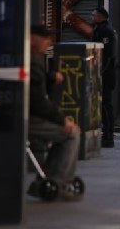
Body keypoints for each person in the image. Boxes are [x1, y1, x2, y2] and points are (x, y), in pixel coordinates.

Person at [28, 24, 82, 202]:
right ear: (32, 38)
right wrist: (62, 120)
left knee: (66, 133)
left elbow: (38, 89)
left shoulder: (33, 58)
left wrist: (50, 78)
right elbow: (38, 102)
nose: (49, 42)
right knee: (71, 133)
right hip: (27, 118)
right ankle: (58, 181)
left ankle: (48, 177)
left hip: (25, 114)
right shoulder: (28, 59)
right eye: (45, 38)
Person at [91, 7, 117, 148]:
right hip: (104, 73)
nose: (92, 17)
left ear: (100, 17)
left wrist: (100, 72)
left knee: (106, 105)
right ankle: (106, 134)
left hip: (106, 74)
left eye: (94, 15)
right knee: (103, 105)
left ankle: (108, 136)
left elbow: (108, 55)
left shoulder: (105, 31)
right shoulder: (100, 29)